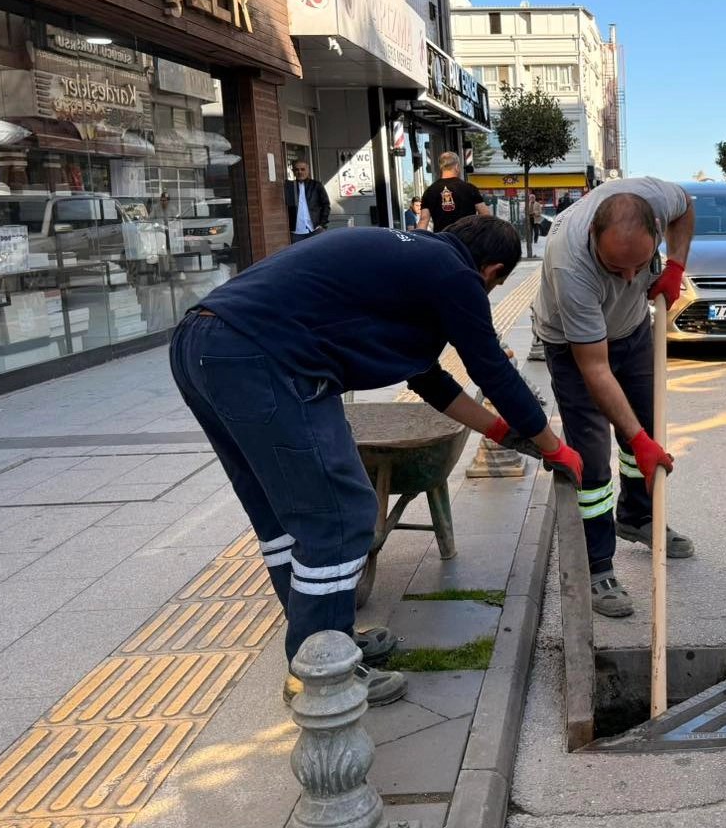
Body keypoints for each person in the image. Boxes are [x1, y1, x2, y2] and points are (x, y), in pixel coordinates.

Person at [169, 217, 583, 707]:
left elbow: (428, 379)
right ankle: (323, 678)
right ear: (493, 271)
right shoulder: (455, 273)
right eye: (492, 287)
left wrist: (501, 433)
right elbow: (491, 369)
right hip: (264, 356)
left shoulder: (411, 260)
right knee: (341, 516)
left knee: (280, 515)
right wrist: (554, 446)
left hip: (201, 343)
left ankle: (324, 647)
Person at [532, 178, 696, 617]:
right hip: (573, 345)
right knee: (591, 453)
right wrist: (638, 439)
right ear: (593, 237)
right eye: (615, 267)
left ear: (655, 229)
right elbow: (595, 369)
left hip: (632, 330)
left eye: (639, 265)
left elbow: (686, 207)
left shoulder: (657, 198)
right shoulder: (571, 265)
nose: (629, 278)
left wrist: (675, 266)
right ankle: (598, 564)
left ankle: (638, 517)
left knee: (646, 424)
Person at [418, 153, 491, 232]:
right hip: (467, 237)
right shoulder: (470, 188)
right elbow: (485, 216)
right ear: (456, 167)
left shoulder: (430, 191)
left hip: (442, 238)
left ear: (440, 167)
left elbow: (423, 220)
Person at [285, 161, 330, 243]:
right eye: (297, 170)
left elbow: (326, 205)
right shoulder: (289, 187)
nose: (300, 172)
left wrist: (322, 224)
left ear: (308, 170)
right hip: (296, 232)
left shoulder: (316, 185)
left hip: (315, 229)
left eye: (303, 169)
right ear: (293, 171)